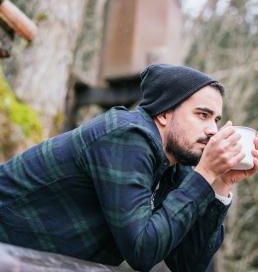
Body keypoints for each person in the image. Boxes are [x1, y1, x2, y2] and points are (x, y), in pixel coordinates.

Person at [0, 64, 257, 272]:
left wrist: (221, 184)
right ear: (164, 114)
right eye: (202, 115)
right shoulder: (126, 135)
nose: (213, 130)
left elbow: (189, 264)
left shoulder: (176, 164)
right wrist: (204, 175)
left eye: (216, 119)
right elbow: (142, 252)